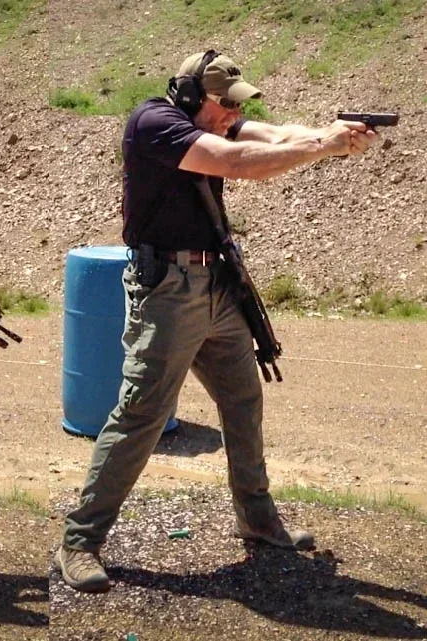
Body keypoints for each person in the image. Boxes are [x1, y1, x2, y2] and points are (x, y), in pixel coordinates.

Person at [56, 50, 378, 593]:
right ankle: (80, 540)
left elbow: (274, 136)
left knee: (243, 399)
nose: (234, 112)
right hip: (167, 293)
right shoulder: (155, 123)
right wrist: (325, 147)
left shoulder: (214, 119)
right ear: (188, 95)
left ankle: (256, 518)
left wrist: (332, 131)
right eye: (224, 103)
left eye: (237, 104)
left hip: (216, 288)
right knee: (141, 415)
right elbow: (234, 162)